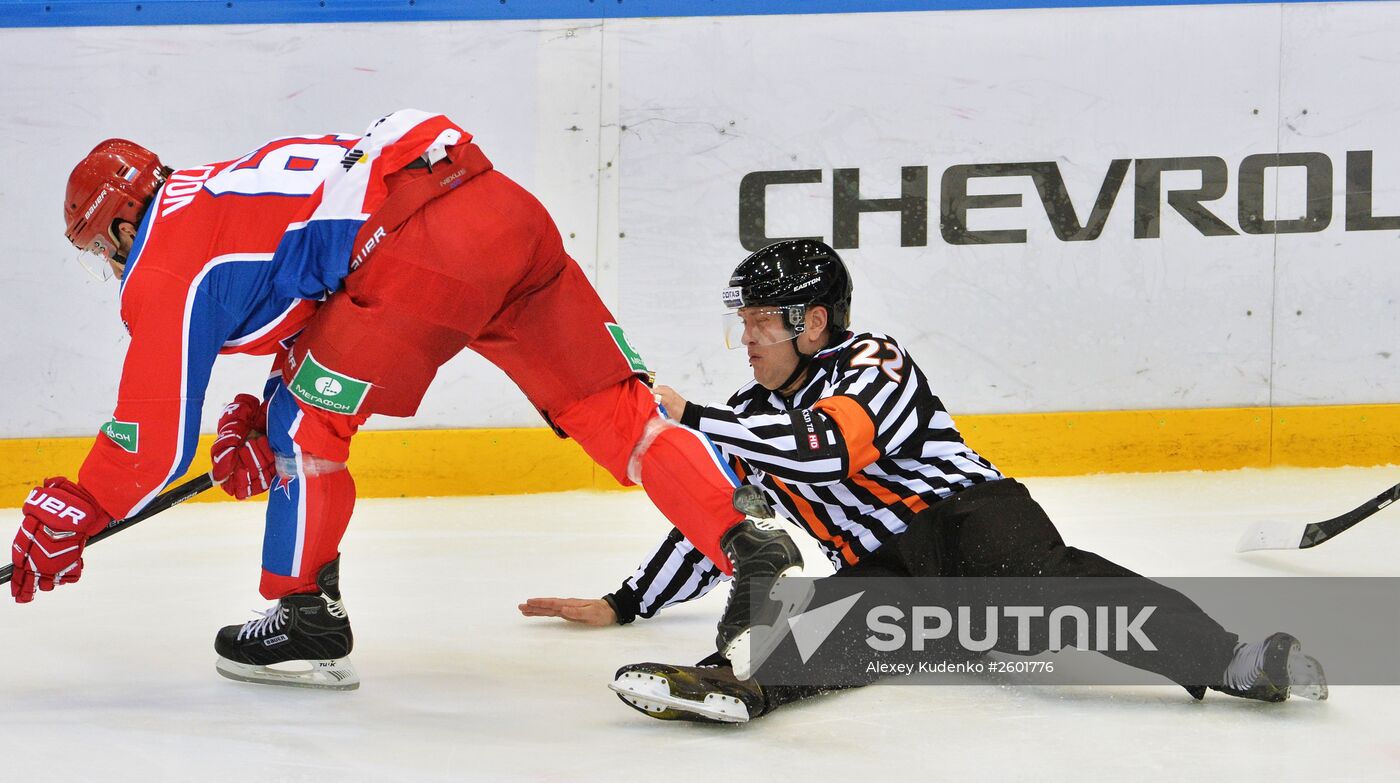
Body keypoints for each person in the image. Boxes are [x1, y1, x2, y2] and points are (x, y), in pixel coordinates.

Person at [12, 110, 810, 690]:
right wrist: (272, 393)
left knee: (302, 431)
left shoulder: (161, 261)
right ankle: (750, 548)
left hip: (416, 244)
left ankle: (304, 616)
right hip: (500, 207)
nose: (109, 265)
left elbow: (151, 440)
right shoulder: (220, 188)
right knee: (619, 411)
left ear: (122, 224)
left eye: (99, 248)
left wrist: (82, 505)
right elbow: (321, 276)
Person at [521, 238, 1329, 723]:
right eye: (745, 321)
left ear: (814, 321)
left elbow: (828, 448)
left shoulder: (875, 361)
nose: (748, 337)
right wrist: (627, 600)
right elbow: (726, 522)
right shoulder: (749, 415)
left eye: (762, 320)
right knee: (805, 627)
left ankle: (1235, 660)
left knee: (1057, 591)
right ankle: (736, 686)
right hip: (890, 574)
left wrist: (693, 415)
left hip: (969, 522)